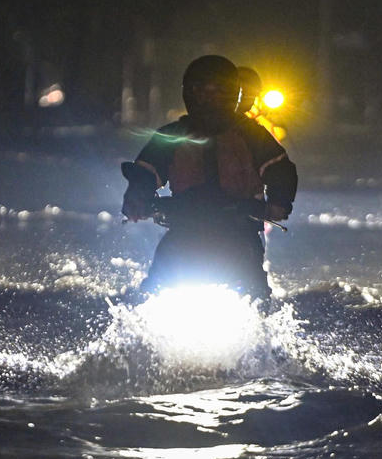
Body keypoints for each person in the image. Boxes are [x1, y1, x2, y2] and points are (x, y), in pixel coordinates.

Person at [121, 55, 297, 300]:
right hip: (184, 228)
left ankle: (263, 329)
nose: (209, 99)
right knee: (152, 289)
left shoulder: (253, 135)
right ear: (189, 94)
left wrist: (278, 202)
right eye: (201, 91)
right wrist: (137, 198)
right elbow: (145, 171)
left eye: (219, 92)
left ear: (233, 95)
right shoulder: (171, 136)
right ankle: (138, 330)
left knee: (256, 292)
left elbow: (280, 170)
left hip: (238, 229)